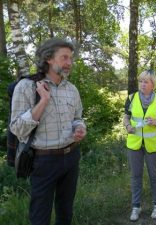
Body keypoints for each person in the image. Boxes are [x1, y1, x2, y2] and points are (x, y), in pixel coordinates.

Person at [10, 38, 86, 225]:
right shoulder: (26, 87)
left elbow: (77, 117)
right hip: (43, 161)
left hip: (71, 157)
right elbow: (17, 128)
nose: (69, 63)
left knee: (65, 212)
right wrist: (42, 101)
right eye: (64, 58)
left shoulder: (72, 89)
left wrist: (80, 127)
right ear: (49, 58)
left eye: (71, 58)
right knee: (40, 216)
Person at [123, 70, 156, 221]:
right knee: (135, 176)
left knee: (154, 176)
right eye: (141, 81)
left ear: (153, 84)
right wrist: (127, 126)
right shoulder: (131, 97)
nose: (142, 84)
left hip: (152, 145)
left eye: (146, 81)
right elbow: (126, 117)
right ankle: (136, 207)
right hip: (134, 144)